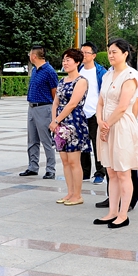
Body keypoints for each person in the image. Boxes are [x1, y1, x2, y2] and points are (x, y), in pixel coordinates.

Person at [95, 39, 138, 229]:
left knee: (123, 172)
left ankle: (123, 214)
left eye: (114, 52)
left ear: (125, 54)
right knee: (111, 171)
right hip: (106, 125)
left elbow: (122, 106)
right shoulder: (107, 75)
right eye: (109, 51)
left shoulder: (130, 76)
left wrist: (106, 125)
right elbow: (100, 101)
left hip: (121, 126)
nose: (110, 55)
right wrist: (100, 121)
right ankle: (112, 212)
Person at [50, 48, 90, 205]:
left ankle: (78, 195)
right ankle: (70, 193)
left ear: (77, 62)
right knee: (65, 160)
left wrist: (56, 120)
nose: (65, 63)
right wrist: (54, 121)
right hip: (60, 123)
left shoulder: (81, 81)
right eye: (64, 60)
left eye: (68, 60)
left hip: (74, 122)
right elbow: (56, 102)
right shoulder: (62, 81)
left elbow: (73, 104)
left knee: (74, 161)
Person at [19, 45, 58, 179]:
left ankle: (50, 169)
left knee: (46, 140)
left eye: (30, 54)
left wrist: (54, 112)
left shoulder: (49, 71)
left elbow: (55, 92)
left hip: (44, 108)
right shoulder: (35, 70)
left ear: (34, 56)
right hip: (32, 107)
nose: (29, 56)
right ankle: (32, 167)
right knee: (32, 140)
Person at [79, 42, 107, 185]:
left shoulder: (101, 72)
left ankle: (100, 172)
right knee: (82, 145)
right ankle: (84, 173)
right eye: (81, 52)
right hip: (80, 114)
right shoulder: (78, 69)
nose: (83, 55)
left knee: (98, 145)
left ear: (94, 55)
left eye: (86, 52)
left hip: (96, 114)